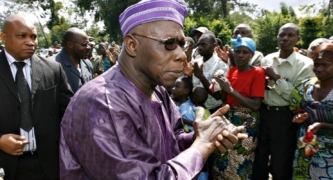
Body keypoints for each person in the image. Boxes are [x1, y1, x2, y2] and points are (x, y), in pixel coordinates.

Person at [59, 0, 247, 179]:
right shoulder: (102, 102)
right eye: (169, 43)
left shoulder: (158, 91)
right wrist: (201, 147)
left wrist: (199, 137)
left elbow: (172, 142)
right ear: (132, 45)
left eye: (182, 44)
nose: (182, 55)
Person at [0, 14, 73, 180]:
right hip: (5, 167)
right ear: (3, 37)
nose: (30, 41)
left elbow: (70, 114)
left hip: (48, 166)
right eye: (22, 36)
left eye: (34, 36)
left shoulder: (53, 70)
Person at [252, 23, 315, 180]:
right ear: (277, 37)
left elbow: (297, 97)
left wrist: (276, 78)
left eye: (290, 35)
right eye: (282, 35)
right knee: (259, 158)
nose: (285, 38)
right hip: (264, 113)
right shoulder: (268, 58)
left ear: (297, 39)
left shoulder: (306, 64)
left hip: (285, 117)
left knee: (281, 162)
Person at [290, 43, 333, 179]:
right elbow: (295, 108)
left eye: (325, 65)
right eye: (316, 64)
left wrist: (323, 125)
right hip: (306, 148)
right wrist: (300, 117)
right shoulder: (304, 86)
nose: (319, 69)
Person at [212, 35, 265, 180]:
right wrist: (221, 85)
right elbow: (226, 99)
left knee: (240, 163)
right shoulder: (232, 71)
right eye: (238, 51)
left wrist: (229, 90)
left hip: (247, 123)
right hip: (229, 119)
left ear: (252, 55)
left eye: (245, 52)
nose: (240, 55)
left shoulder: (258, 73)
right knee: (222, 159)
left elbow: (255, 105)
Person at [192, 31, 229, 112]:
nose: (200, 47)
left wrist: (201, 77)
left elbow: (218, 96)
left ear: (214, 46)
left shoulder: (221, 66)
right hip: (195, 107)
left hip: (214, 110)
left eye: (204, 45)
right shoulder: (196, 62)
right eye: (199, 45)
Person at [52, 27, 93, 93]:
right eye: (84, 44)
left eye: (89, 44)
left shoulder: (87, 64)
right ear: (70, 44)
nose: (88, 47)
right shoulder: (53, 65)